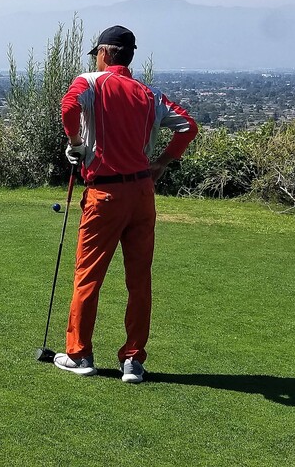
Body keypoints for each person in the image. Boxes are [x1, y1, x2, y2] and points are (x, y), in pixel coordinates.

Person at [54, 26, 198, 383]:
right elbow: (188, 127)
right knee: (139, 279)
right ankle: (133, 360)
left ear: (104, 53)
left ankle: (80, 354)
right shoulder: (150, 94)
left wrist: (75, 144)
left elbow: (68, 106)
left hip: (105, 195)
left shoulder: (89, 82)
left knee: (88, 276)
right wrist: (163, 162)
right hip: (142, 194)